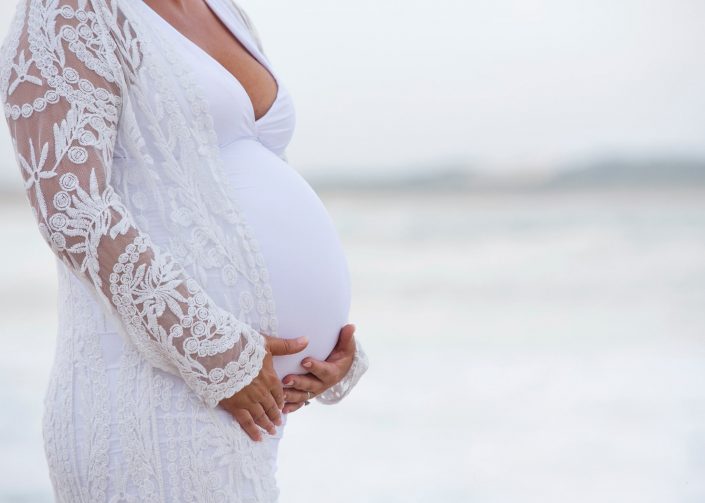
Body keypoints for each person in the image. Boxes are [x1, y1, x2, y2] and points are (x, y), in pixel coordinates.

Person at [0, 0, 369, 500]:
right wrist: (215, 350)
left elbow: (226, 185)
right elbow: (71, 206)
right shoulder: (69, 9)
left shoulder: (224, 9)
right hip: (153, 400)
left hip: (246, 410)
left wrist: (320, 350)